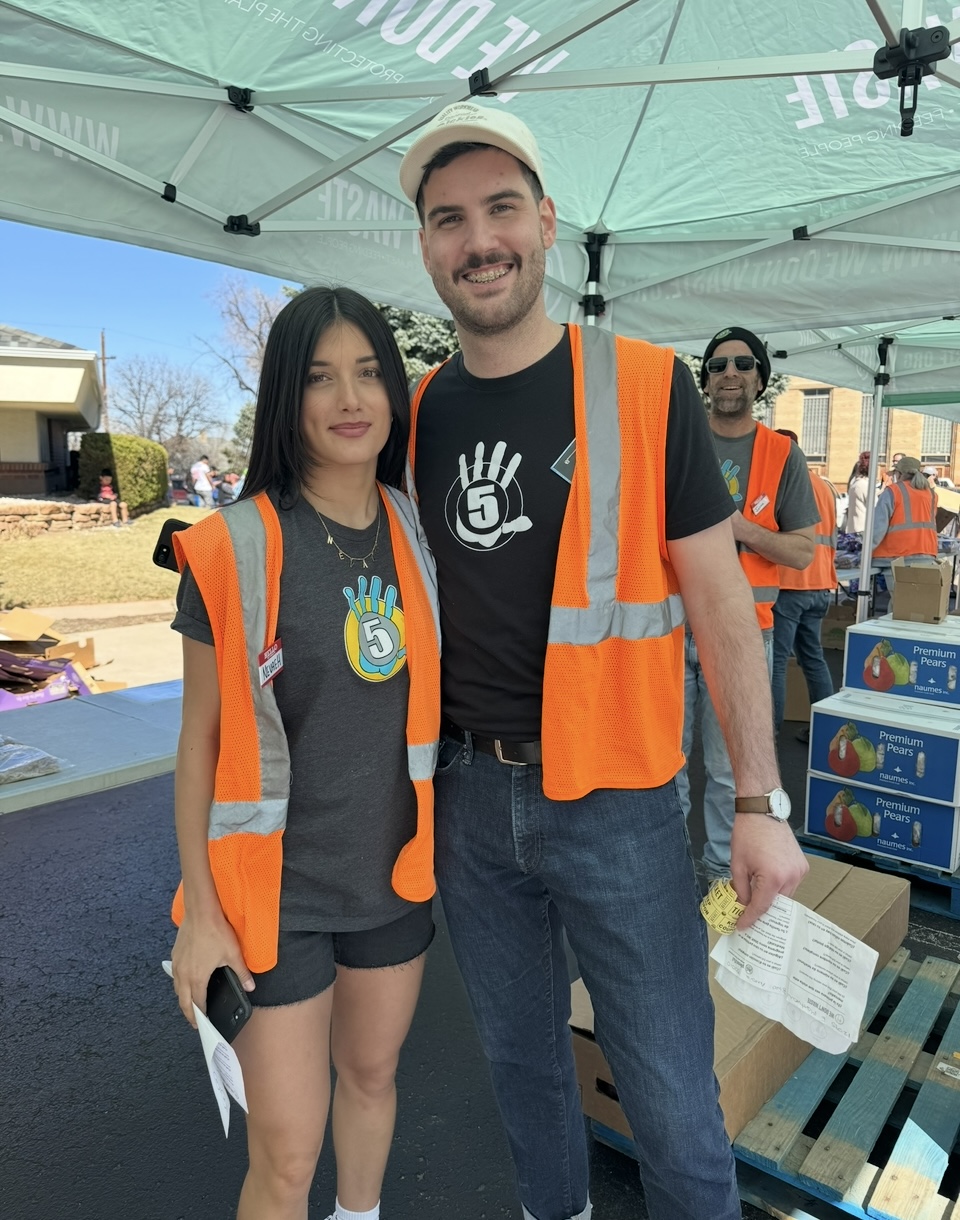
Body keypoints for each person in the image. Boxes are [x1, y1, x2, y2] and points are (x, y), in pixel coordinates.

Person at [398, 101, 808, 1220]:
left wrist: (760, 800)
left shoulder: (643, 384)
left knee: (674, 1097)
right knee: (525, 1072)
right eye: (448, 218)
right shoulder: (415, 411)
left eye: (499, 209)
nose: (478, 239)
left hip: (621, 797)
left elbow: (725, 607)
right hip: (470, 797)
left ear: (545, 221)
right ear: (427, 244)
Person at [168, 287, 440, 1220]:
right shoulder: (232, 545)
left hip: (393, 879)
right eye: (320, 377)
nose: (349, 397)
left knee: (372, 1080)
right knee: (286, 1157)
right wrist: (200, 917)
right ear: (287, 397)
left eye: (369, 372)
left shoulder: (418, 532)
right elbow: (198, 743)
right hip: (271, 899)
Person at [677, 328, 818, 880]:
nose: (728, 373)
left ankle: (720, 886)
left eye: (741, 364)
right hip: (667, 628)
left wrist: (741, 528)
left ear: (760, 378)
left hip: (744, 634)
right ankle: (663, 882)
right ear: (706, 380)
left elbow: (803, 552)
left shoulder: (782, 454)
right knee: (661, 769)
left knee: (730, 772)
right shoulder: (679, 443)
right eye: (717, 366)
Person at [770, 430, 836, 742]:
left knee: (777, 662)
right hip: (820, 582)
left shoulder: (783, 481)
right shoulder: (824, 486)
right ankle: (826, 731)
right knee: (814, 659)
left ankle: (769, 735)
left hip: (790, 584)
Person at [873, 453, 938, 571]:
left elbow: (878, 527)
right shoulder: (932, 494)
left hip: (896, 556)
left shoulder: (893, 491)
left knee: (897, 590)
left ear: (899, 474)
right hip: (926, 554)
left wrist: (864, 551)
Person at [845, 451, 876, 533]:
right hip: (862, 531)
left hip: (856, 530)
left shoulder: (857, 483)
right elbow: (875, 507)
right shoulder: (864, 485)